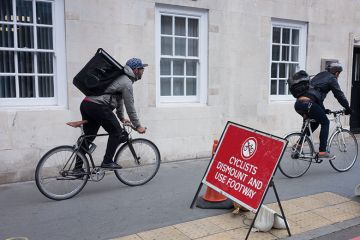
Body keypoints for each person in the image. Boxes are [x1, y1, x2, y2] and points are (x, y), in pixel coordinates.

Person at [75, 58, 147, 170]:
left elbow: (119, 100)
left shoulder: (119, 78)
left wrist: (121, 117)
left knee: (89, 137)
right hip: (98, 106)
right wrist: (138, 126)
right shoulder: (126, 82)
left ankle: (77, 169)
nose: (143, 71)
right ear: (136, 70)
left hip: (87, 104)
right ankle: (107, 161)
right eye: (142, 69)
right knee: (117, 132)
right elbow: (130, 106)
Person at [293, 62, 352, 158]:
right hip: (309, 104)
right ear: (336, 73)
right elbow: (339, 95)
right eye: (339, 74)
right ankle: (322, 151)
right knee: (325, 122)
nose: (338, 76)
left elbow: (315, 95)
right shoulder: (332, 78)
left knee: (315, 122)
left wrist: (323, 110)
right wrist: (348, 108)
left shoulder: (320, 75)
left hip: (299, 104)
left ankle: (299, 145)